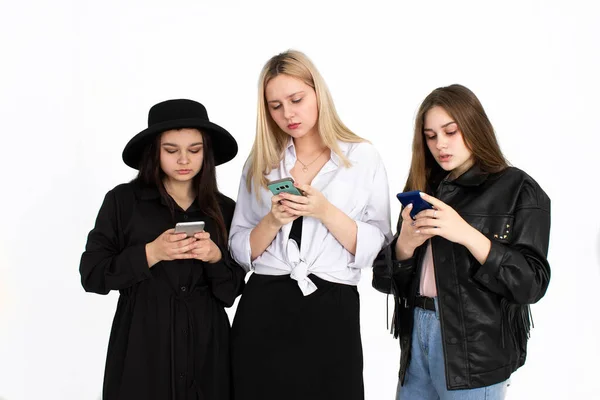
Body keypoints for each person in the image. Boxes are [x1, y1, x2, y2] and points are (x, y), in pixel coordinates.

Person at [228, 50, 392, 400]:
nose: (288, 114)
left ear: (318, 92)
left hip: (332, 307)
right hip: (264, 305)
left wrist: (325, 211)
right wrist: (273, 220)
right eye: (275, 106)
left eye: (296, 99)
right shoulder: (260, 163)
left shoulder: (362, 157)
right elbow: (241, 248)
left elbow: (378, 246)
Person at [372, 84, 551, 400]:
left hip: (474, 350)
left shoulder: (518, 188)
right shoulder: (424, 187)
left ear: (473, 127)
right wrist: (405, 246)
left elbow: (531, 285)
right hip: (417, 337)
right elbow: (383, 281)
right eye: (430, 136)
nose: (440, 144)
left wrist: (466, 234)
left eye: (450, 131)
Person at [79, 99, 245, 400]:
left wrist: (215, 257)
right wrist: (152, 253)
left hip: (208, 354)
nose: (184, 160)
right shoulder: (122, 202)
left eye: (195, 150)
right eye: (171, 150)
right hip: (142, 353)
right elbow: (92, 275)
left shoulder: (225, 209)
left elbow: (231, 293)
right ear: (154, 152)